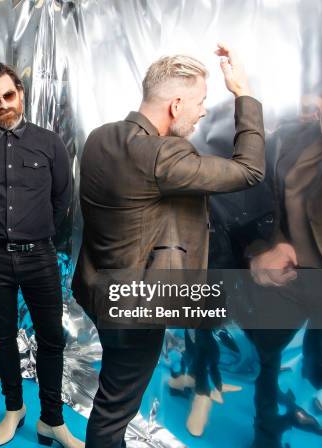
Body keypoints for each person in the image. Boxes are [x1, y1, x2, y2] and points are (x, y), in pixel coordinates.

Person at [71, 44, 265, 447]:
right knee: (113, 411)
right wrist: (243, 92)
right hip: (133, 308)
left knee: (113, 394)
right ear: (176, 105)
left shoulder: (99, 138)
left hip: (98, 292)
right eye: (200, 103)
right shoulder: (163, 156)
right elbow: (250, 170)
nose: (202, 113)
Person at [0, 63, 81, 447]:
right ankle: (14, 408)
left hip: (40, 257)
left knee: (51, 339)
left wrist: (36, 229)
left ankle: (52, 419)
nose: (4, 105)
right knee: (2, 337)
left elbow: (63, 200)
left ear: (21, 92)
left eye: (8, 96)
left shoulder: (50, 143)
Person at [247, 51, 322, 448]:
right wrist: (264, 250)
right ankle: (266, 436)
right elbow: (262, 204)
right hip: (289, 278)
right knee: (269, 362)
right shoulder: (297, 138)